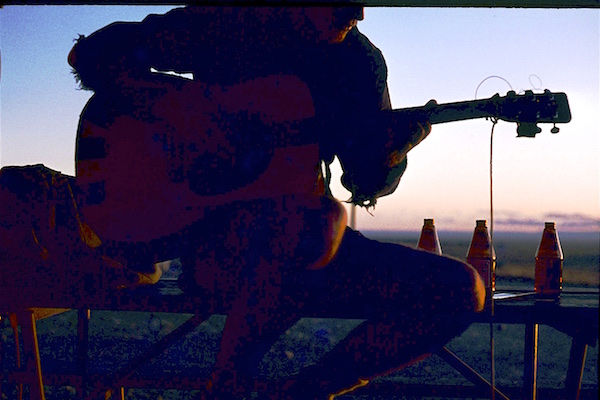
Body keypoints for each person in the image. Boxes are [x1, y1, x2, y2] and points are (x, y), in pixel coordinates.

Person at [65, 5, 485, 399]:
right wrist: (188, 113)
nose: (356, 12)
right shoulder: (229, 23)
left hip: (315, 246)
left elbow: (363, 179)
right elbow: (88, 54)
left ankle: (303, 393)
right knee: (318, 219)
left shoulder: (358, 63)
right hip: (216, 245)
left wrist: (390, 152)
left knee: (462, 290)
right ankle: (228, 385)